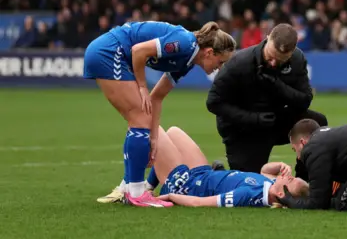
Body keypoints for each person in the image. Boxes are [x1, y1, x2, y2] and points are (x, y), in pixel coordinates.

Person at [88, 20, 236, 207]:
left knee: (142, 118)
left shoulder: (187, 61)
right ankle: (136, 192)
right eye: (220, 61)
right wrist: (142, 86)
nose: (220, 67)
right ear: (209, 52)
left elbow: (157, 97)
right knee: (140, 116)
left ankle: (127, 188)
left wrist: (154, 139)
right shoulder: (184, 42)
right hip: (108, 52)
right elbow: (138, 51)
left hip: (109, 53)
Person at [206, 23, 327, 178]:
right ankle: (220, 175)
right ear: (267, 38)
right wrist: (253, 119)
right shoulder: (239, 63)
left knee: (317, 124)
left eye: (280, 60)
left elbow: (304, 100)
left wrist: (278, 86)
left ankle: (304, 179)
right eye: (270, 56)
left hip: (276, 120)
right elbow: (213, 102)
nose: (273, 63)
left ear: (291, 53)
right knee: (252, 187)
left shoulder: (297, 59)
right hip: (243, 129)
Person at [146, 126, 309, 208]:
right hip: (203, 174)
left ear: (281, 193)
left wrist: (172, 197)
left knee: (153, 128)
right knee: (174, 132)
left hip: (187, 186)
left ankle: (136, 189)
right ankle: (148, 187)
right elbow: (264, 171)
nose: (289, 175)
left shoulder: (248, 195)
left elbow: (199, 203)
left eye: (291, 180)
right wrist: (279, 165)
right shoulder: (272, 187)